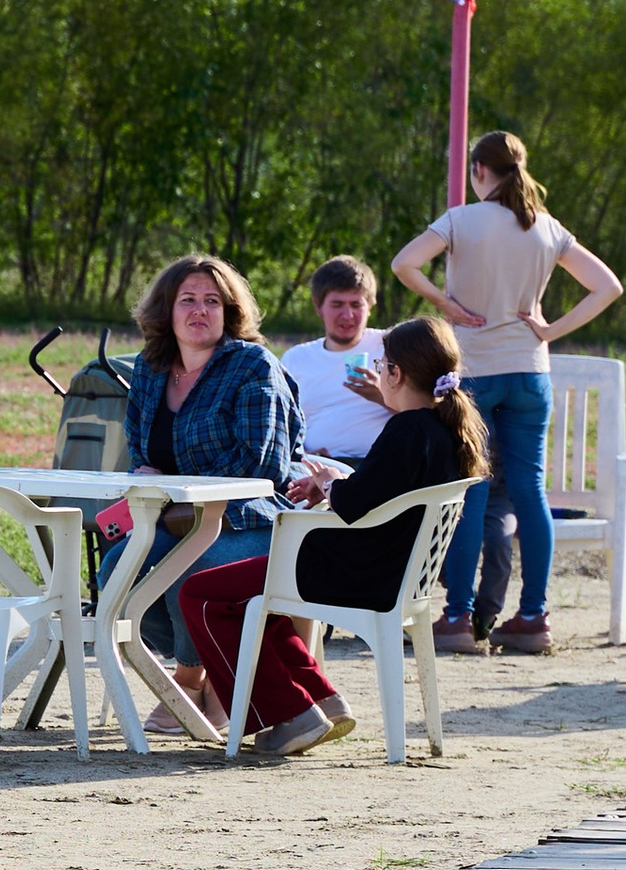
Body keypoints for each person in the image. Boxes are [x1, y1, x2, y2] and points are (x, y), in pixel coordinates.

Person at [175, 320, 488, 759]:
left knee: (200, 593)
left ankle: (287, 717)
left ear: (395, 374)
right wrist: (335, 483)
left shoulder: (407, 429)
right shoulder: (443, 431)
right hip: (392, 573)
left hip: (357, 574)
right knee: (259, 606)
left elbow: (358, 503)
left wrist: (331, 487)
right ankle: (318, 698)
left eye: (382, 364)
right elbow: (384, 492)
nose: (379, 372)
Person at [394, 131, 623, 658]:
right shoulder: (546, 227)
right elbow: (608, 285)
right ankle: (534, 617)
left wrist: (444, 302)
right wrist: (550, 329)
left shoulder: (461, 220)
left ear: (479, 171)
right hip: (530, 373)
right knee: (530, 491)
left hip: (473, 371)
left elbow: (404, 263)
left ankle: (456, 618)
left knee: (471, 488)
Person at [121, 255, 298, 728]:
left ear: (229, 311)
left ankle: (188, 676)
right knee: (115, 567)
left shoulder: (252, 364)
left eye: (211, 301)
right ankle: (210, 677)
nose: (199, 310)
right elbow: (138, 450)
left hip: (247, 518)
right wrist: (153, 477)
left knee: (190, 565)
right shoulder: (149, 367)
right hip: (172, 518)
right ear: (167, 310)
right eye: (187, 300)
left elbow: (263, 462)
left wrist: (177, 485)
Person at [283, 257, 390, 467]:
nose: (347, 315)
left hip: (381, 465)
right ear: (318, 306)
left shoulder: (391, 345)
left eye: (356, 304)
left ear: (370, 305)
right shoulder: (296, 358)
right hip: (316, 467)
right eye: (337, 304)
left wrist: (382, 396)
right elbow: (281, 426)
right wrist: (302, 454)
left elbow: (426, 411)